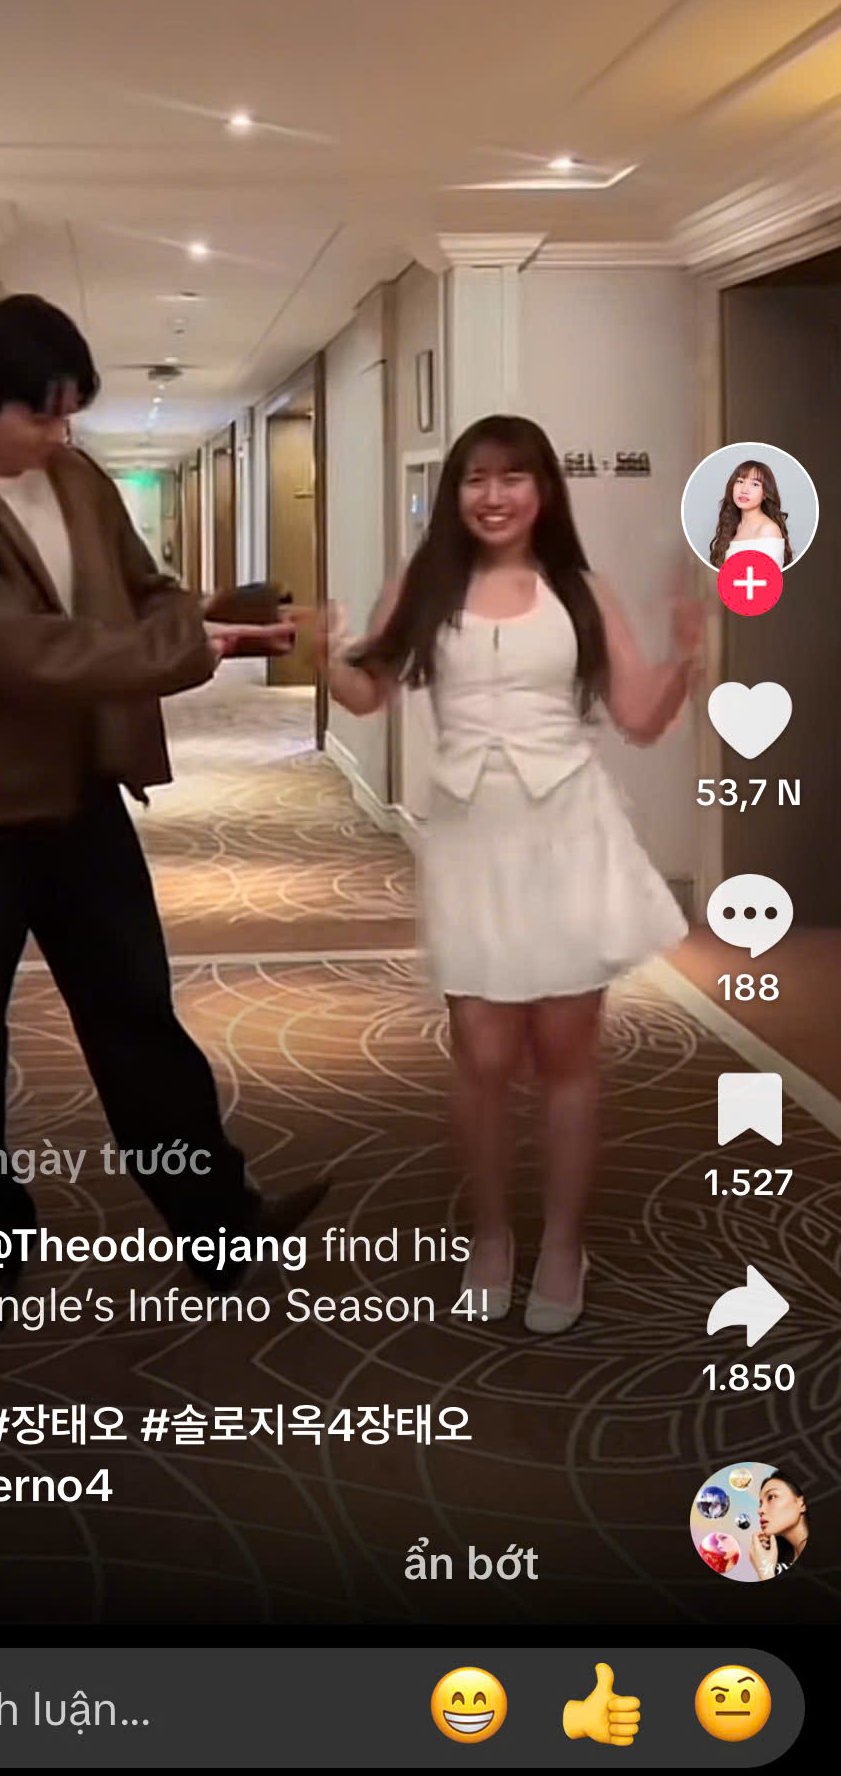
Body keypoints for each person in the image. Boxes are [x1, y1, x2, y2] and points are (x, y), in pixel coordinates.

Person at [0, 293, 328, 1342]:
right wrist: (191, 649)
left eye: (71, 412)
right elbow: (24, 656)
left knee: (138, 1023)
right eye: (41, 414)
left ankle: (219, 1226)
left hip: (78, 803)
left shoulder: (76, 482)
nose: (59, 434)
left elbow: (146, 588)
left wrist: (201, 618)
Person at [319, 414, 702, 1335]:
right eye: (475, 479)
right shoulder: (424, 584)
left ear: (542, 492)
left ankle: (562, 1245)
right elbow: (368, 692)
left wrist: (687, 651)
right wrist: (328, 651)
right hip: (469, 838)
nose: (492, 497)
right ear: (456, 492)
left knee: (565, 1051)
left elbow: (640, 715)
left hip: (564, 831)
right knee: (483, 1054)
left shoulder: (577, 590)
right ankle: (491, 1237)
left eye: (512, 478)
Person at [708, 458, 792, 568]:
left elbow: (769, 576)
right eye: (740, 481)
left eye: (755, 484)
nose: (744, 490)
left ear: (765, 494)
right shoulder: (731, 526)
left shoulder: (768, 530)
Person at [750, 1470, 808, 1577]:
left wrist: (764, 1570)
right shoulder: (783, 1562)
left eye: (771, 1497)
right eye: (760, 1504)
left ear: (802, 1503)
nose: (760, 1510)